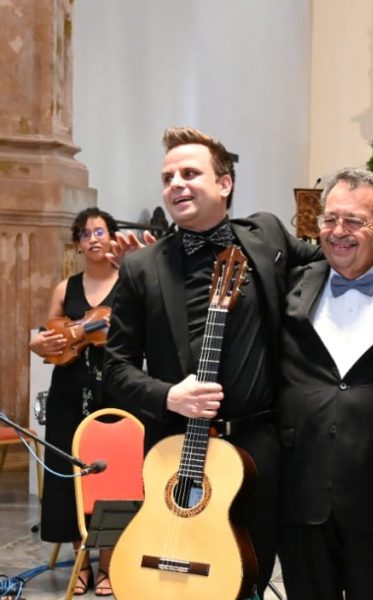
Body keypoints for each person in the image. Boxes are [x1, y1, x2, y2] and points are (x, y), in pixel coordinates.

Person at [103, 126, 321, 598]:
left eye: (189, 173)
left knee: (249, 574)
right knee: (174, 579)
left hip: (257, 446)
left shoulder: (265, 236)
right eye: (168, 178)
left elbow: (337, 259)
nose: (176, 185)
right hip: (175, 450)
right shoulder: (142, 267)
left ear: (225, 183)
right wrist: (168, 395)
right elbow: (115, 367)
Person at [276, 168, 373, 600]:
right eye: (330, 219)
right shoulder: (290, 285)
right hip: (301, 492)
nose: (338, 232)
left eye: (355, 221)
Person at [29, 208, 120, 596]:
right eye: (85, 234)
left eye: (99, 231)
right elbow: (50, 336)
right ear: (78, 244)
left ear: (112, 237)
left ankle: (109, 564)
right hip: (68, 391)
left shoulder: (128, 282)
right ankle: (81, 563)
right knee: (69, 475)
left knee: (113, 477)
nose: (93, 239)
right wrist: (39, 344)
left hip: (114, 389)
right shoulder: (65, 288)